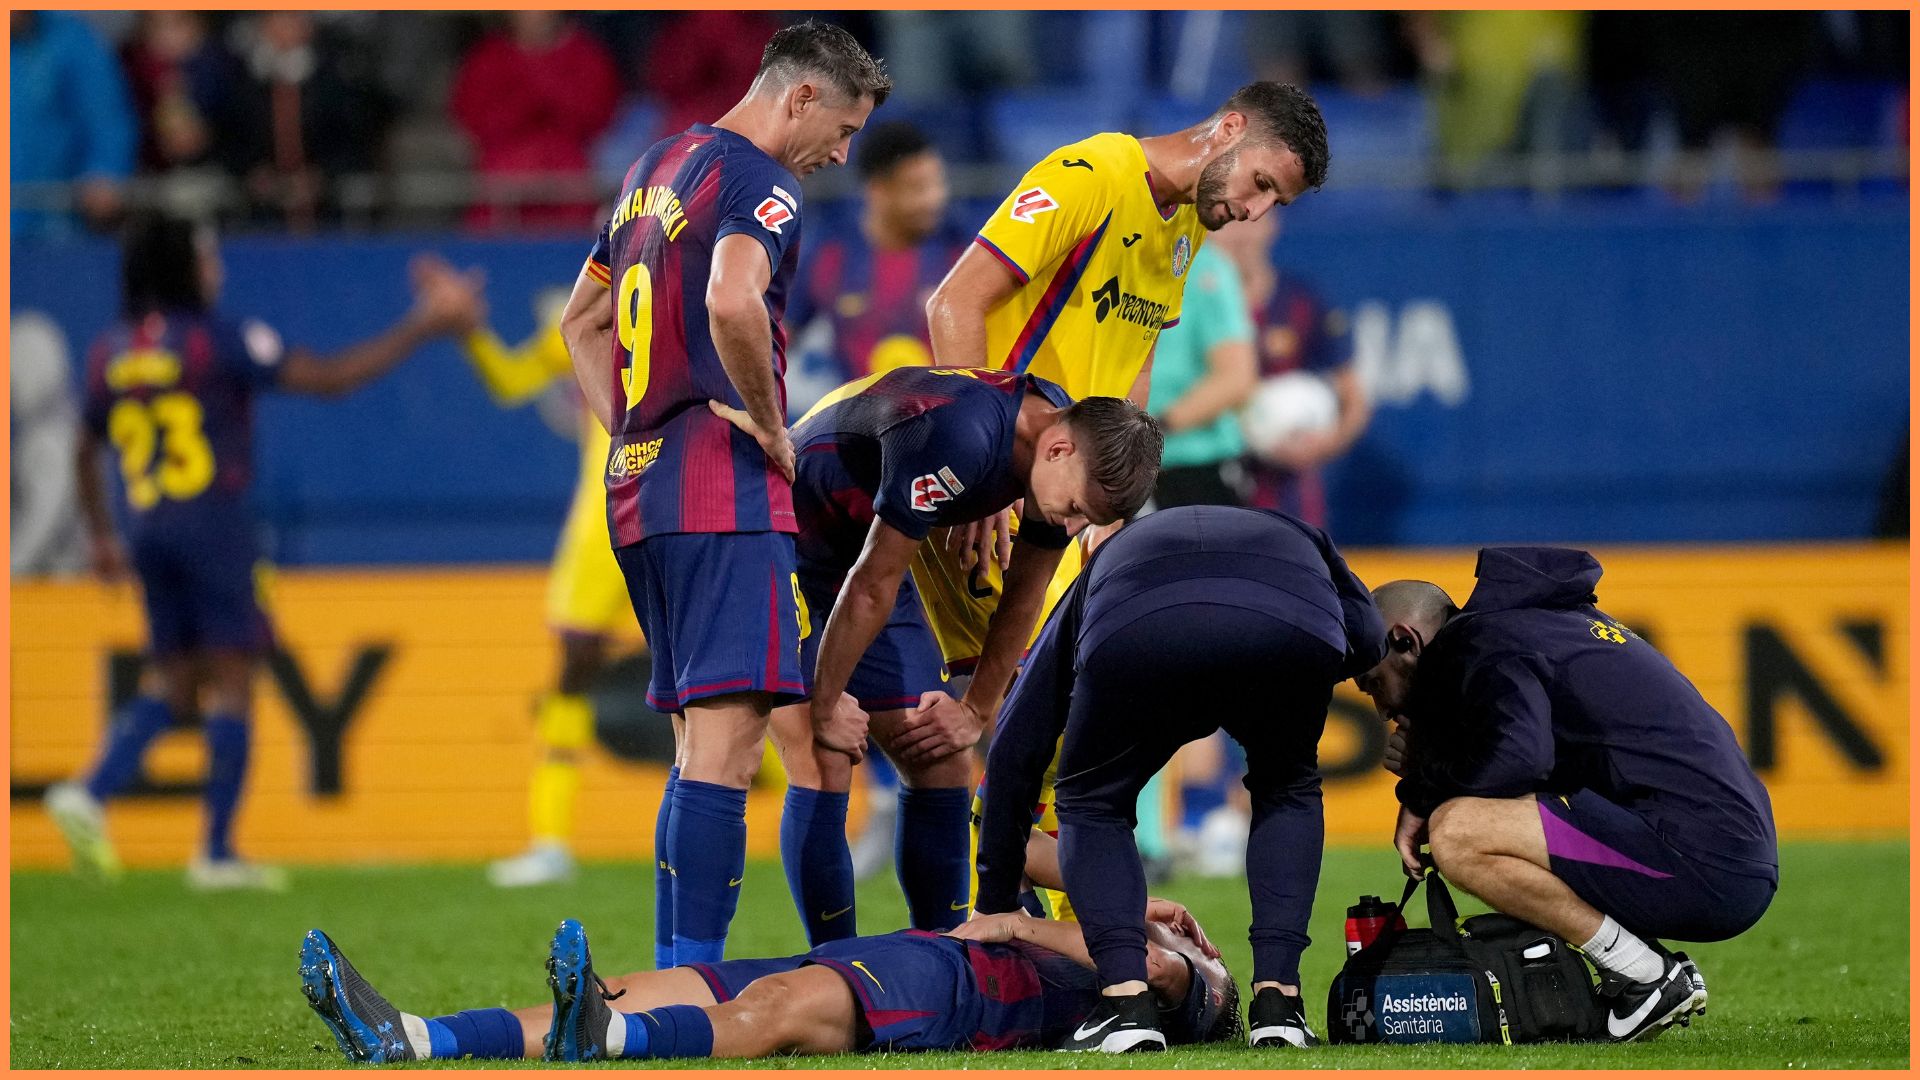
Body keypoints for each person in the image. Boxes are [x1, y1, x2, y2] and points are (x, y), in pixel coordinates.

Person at [559, 20, 889, 969]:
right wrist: (770, 424)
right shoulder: (761, 180)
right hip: (718, 484)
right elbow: (734, 299)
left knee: (694, 746)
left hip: (641, 487)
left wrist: (629, 427)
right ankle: (692, 986)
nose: (842, 152)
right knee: (731, 750)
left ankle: (674, 979)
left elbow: (582, 318)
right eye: (846, 129)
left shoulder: (652, 168)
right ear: (801, 99)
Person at [44, 216, 470, 890]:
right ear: (182, 265)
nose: (216, 266)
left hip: (146, 527)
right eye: (207, 255)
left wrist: (100, 535)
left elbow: (81, 448)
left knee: (177, 680)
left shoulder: (110, 349)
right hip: (214, 523)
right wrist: (424, 325)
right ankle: (216, 852)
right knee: (235, 679)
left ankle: (90, 790)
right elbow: (329, 378)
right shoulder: (217, 339)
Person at [913, 81, 1331, 687]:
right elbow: (953, 303)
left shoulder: (1187, 230)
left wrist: (1115, 499)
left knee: (991, 731)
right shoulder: (1090, 175)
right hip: (997, 489)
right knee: (1051, 730)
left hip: (1058, 507)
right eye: (1263, 184)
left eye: (1277, 203)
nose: (1256, 211)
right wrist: (979, 464)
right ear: (1230, 130)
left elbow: (1135, 366)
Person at [772, 367, 1161, 947]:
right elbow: (870, 586)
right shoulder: (957, 438)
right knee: (824, 753)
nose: (1072, 525)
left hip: (864, 545)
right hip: (785, 535)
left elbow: (1027, 588)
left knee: (940, 754)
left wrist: (975, 711)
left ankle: (945, 958)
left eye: (1089, 521)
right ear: (1057, 448)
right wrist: (825, 706)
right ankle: (836, 965)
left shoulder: (1058, 432)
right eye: (1076, 507)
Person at [975, 504, 1384, 1052]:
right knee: (1287, 789)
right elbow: (1368, 636)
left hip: (1140, 632)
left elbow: (1011, 752)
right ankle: (1279, 1003)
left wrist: (996, 901)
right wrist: (1286, 673)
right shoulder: (1300, 533)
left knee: (1093, 803)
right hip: (1288, 626)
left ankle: (1126, 1005)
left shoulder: (1097, 569)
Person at [1357, 547, 1779, 1042]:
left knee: (1460, 833)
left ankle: (1644, 975)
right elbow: (1541, 765)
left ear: (1405, 640)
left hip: (1703, 860)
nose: (1382, 707)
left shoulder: (1478, 643)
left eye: (1373, 683)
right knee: (1469, 817)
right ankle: (1642, 972)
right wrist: (1427, 784)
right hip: (1726, 853)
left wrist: (1426, 779)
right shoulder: (1536, 625)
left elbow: (1520, 761)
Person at [301, 842, 1235, 1061]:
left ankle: (612, 1046)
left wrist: (1022, 925)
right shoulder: (1127, 915)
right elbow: (1013, 838)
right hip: (918, 952)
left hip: (963, 990)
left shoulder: (1185, 987)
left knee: (776, 1014)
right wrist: (1123, 881)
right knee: (640, 984)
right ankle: (418, 1040)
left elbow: (1157, 974)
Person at [404, 257, 635, 888]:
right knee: (597, 670)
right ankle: (552, 839)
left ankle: (552, 840)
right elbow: (511, 379)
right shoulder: (608, 315)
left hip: (620, 513)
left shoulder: (627, 312)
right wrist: (470, 333)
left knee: (685, 674)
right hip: (641, 511)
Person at [781, 120, 962, 878]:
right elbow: (771, 342)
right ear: (878, 191)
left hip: (948, 489)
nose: (936, 198)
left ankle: (923, 798)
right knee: (854, 626)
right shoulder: (826, 258)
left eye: (938, 182)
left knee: (939, 656)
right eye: (919, 185)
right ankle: (883, 795)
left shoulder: (959, 257)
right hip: (854, 490)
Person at [1214, 209, 1369, 528]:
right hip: (1211, 482)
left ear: (1271, 225)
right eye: (1227, 224)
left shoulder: (1301, 300)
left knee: (1297, 573)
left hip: (1290, 496)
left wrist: (1323, 445)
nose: (1240, 236)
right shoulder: (1189, 305)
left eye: (1249, 221)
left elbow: (1355, 400)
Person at [451, 12, 620, 231]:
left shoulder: (586, 54)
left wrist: (551, 94)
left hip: (569, 167)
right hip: (504, 168)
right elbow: (474, 119)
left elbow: (599, 114)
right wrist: (524, 103)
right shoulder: (487, 57)